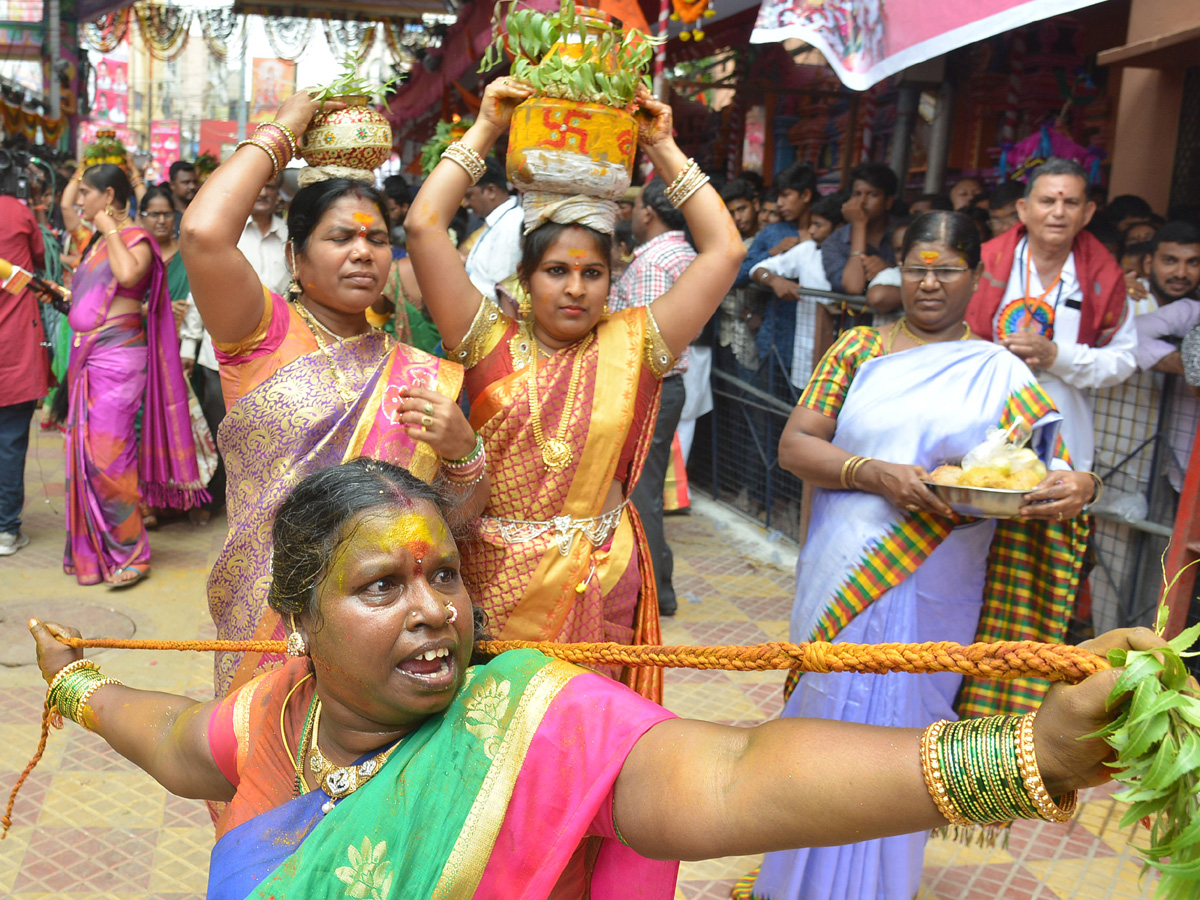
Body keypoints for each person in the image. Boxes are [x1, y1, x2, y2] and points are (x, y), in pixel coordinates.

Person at [26, 457, 1159, 900]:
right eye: (382, 588)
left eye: (444, 579)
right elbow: (182, 744)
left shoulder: (528, 715)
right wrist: (76, 691)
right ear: (297, 625)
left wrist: (1028, 755)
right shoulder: (281, 710)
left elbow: (731, 773)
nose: (434, 612)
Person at [754, 212, 1097, 900]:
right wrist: (876, 472)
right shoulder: (858, 350)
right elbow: (798, 446)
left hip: (942, 580)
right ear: (898, 270)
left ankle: (880, 885)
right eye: (916, 267)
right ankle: (790, 884)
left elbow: (1043, 468)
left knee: (913, 729)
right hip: (846, 572)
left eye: (947, 269)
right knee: (826, 716)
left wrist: (1081, 484)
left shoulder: (998, 370)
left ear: (978, 276)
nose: (930, 283)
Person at [404, 79, 745, 699]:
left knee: (588, 745)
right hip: (494, 586)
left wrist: (662, 146)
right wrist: (486, 127)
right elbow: (425, 228)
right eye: (556, 271)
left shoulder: (636, 345)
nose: (575, 288)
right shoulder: (487, 343)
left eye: (593, 273)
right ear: (525, 280)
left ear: (612, 282)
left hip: (601, 579)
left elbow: (724, 251)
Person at [180, 90, 485, 696]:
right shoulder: (258, 333)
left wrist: (463, 455)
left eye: (376, 239)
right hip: (273, 617)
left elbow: (450, 525)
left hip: (387, 619)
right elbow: (203, 232)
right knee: (273, 770)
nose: (362, 253)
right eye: (340, 237)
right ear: (296, 256)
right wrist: (279, 135)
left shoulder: (418, 369)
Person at [59, 164, 205, 586]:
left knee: (109, 458)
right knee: (85, 458)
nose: (80, 201)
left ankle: (133, 554)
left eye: (86, 192)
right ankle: (97, 552)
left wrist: (108, 227)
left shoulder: (136, 239)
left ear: (107, 196)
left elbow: (128, 276)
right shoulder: (93, 244)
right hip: (86, 357)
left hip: (118, 360)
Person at [965, 157, 1137, 475]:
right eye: (1047, 201)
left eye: (1070, 202)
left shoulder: (1105, 277)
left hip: (1064, 427)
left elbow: (1123, 360)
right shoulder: (983, 262)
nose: (1058, 212)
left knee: (1052, 513)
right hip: (982, 414)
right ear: (1023, 208)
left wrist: (1057, 356)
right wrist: (988, 355)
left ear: (1087, 213)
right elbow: (948, 334)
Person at [611, 178, 698, 617]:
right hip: (670, 384)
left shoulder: (652, 263)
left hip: (652, 385)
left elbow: (644, 340)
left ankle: (653, 589)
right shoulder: (683, 254)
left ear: (648, 213)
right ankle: (654, 583)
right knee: (646, 484)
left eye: (637, 205)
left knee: (642, 490)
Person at [1127, 222, 1200, 491]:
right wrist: (1187, 364)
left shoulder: (1190, 308)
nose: (1181, 273)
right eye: (1170, 261)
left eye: (1193, 263)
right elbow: (1125, 340)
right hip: (1123, 450)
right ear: (1149, 262)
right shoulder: (1125, 299)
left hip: (1171, 457)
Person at [735, 162, 818, 391]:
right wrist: (770, 255)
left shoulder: (825, 231)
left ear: (806, 195)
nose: (779, 203)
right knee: (770, 410)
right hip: (775, 340)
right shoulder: (773, 233)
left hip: (817, 342)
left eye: (786, 195)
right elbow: (739, 275)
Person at [0, 176, 48, 555]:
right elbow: (40, 261)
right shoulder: (18, 212)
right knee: (11, 443)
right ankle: (5, 529)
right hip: (15, 348)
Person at [823, 162, 898, 295]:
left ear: (888, 202)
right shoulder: (835, 242)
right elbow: (853, 288)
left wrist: (890, 270)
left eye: (872, 194)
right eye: (857, 194)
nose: (862, 201)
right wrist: (859, 225)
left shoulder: (902, 233)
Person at [462, 157, 523, 301]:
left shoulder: (511, 225)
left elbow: (502, 291)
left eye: (469, 196)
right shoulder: (498, 221)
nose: (465, 204)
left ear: (490, 191)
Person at [236, 174, 290, 297]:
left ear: (278, 193)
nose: (263, 193)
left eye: (270, 187)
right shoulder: (231, 234)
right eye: (258, 186)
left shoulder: (289, 235)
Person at [722, 178, 760, 243]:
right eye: (732, 213)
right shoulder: (731, 243)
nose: (737, 218)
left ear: (755, 204)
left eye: (741, 209)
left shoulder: (774, 234)